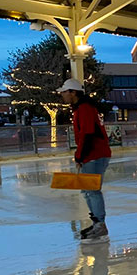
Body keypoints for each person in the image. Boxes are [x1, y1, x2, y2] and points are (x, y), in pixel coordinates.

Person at [57, 78, 112, 241]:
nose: (62, 96)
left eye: (64, 92)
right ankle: (97, 223)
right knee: (86, 190)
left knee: (92, 191)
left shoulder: (85, 108)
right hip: (91, 154)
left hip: (94, 155)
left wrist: (80, 155)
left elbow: (88, 134)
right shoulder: (81, 108)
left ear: (73, 92)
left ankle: (100, 224)